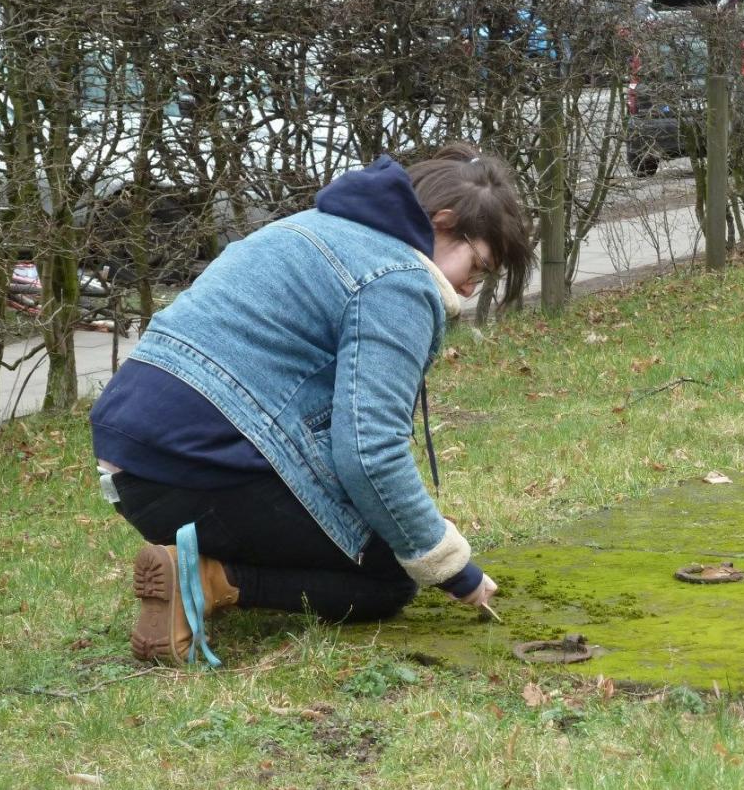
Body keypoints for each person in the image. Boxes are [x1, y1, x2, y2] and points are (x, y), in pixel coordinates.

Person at [90, 143, 534, 665]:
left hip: (130, 470)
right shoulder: (398, 280)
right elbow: (369, 454)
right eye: (476, 267)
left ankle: (198, 562)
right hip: (200, 471)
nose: (467, 288)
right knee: (391, 574)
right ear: (442, 222)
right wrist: (449, 565)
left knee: (379, 529)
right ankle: (208, 582)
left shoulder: (310, 225)